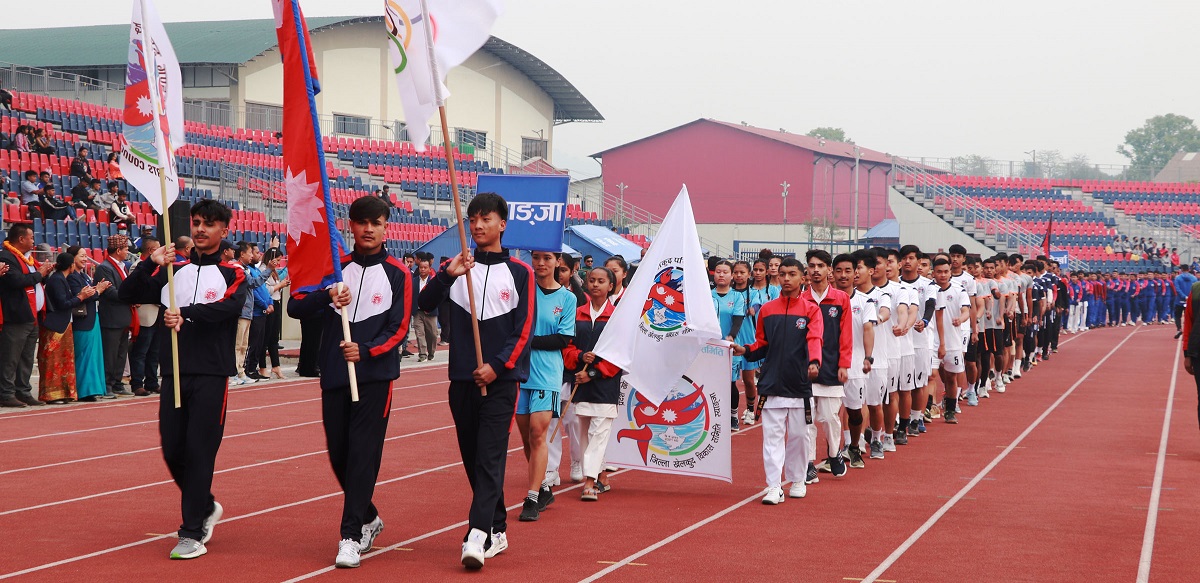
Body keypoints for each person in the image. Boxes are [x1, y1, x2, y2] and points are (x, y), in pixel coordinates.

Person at [118, 199, 248, 560]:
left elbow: (229, 308)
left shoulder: (233, 271)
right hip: (173, 371)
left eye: (209, 224)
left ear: (224, 230)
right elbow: (125, 294)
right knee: (172, 448)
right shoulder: (172, 271)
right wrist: (150, 263)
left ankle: (191, 531)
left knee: (199, 450)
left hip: (211, 372)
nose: (201, 229)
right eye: (197, 223)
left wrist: (185, 315)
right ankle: (205, 505)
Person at [288, 195, 412, 569]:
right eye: (361, 222)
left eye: (376, 222)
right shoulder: (334, 270)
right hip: (336, 375)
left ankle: (350, 535)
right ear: (351, 227)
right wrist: (327, 295)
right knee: (339, 454)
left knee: (362, 455)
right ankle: (370, 517)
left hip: (375, 377)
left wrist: (368, 351)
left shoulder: (399, 274)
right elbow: (295, 306)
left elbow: (400, 329)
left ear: (386, 227)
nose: (369, 229)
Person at [417, 192, 533, 570]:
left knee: (489, 456)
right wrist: (446, 274)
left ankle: (477, 534)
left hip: (500, 381)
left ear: (502, 224)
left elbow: (524, 329)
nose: (479, 225)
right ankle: (497, 527)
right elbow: (425, 305)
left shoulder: (520, 272)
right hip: (461, 380)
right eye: (473, 219)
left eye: (486, 219)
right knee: (473, 458)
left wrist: (497, 367)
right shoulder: (455, 267)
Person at [733, 256, 824, 503]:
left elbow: (815, 339)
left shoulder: (811, 311)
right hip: (771, 384)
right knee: (771, 437)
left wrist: (814, 362)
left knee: (799, 436)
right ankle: (773, 486)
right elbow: (762, 344)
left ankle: (797, 479)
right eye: (782, 274)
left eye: (791, 274)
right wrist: (746, 350)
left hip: (799, 384)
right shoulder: (767, 310)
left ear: (802, 278)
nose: (786, 278)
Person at [516, 250, 575, 522]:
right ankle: (542, 487)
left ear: (557, 262)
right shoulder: (522, 291)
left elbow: (562, 340)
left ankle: (531, 499)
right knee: (528, 436)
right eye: (536, 257)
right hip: (519, 373)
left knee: (539, 434)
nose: (541, 263)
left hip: (547, 374)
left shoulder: (567, 298)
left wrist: (526, 341)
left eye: (547, 258)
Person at [562, 266, 621, 502]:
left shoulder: (618, 316)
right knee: (585, 433)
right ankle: (602, 476)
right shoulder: (577, 313)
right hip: (580, 383)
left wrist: (594, 373)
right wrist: (578, 357)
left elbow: (620, 355)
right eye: (592, 280)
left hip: (605, 383)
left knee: (599, 432)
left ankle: (589, 482)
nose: (595, 285)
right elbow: (566, 346)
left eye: (601, 281)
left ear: (611, 286)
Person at [802, 250, 851, 481]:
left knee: (831, 417)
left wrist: (844, 364)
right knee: (807, 418)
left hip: (832, 367)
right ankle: (808, 462)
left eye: (820, 266)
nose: (816, 270)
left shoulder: (841, 299)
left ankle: (834, 453)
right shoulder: (801, 299)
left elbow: (846, 335)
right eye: (811, 266)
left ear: (828, 270)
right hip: (806, 368)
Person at [831, 252, 875, 468]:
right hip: (828, 363)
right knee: (829, 413)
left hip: (855, 365)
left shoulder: (864, 301)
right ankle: (833, 453)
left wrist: (868, 357)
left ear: (855, 272)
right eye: (838, 270)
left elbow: (868, 329)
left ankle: (854, 446)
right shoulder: (824, 300)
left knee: (855, 412)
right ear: (833, 272)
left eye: (848, 270)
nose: (843, 275)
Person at [0, 224, 49, 408]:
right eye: (31, 237)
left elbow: (32, 279)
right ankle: (5, 393)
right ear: (21, 239)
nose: (33, 241)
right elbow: (16, 281)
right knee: (10, 357)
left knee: (27, 357)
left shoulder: (28, 259)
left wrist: (42, 274)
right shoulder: (6, 257)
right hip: (16, 316)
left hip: (31, 316)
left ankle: (23, 391)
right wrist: (39, 274)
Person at [38, 252, 87, 404]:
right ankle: (51, 394)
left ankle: (65, 392)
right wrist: (80, 297)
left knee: (65, 360)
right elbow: (62, 304)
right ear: (71, 265)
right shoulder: (57, 280)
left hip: (64, 324)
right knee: (53, 361)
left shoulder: (60, 279)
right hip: (55, 325)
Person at [68, 246, 111, 402]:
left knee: (93, 355)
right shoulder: (72, 277)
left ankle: (93, 388)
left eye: (86, 256)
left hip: (92, 318)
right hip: (83, 320)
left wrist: (97, 289)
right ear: (72, 258)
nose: (85, 259)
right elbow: (82, 296)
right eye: (82, 256)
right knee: (84, 355)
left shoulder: (84, 276)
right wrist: (98, 290)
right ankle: (85, 390)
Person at [94, 234, 134, 396]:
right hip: (112, 317)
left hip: (122, 316)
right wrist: (131, 296)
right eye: (125, 249)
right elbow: (110, 292)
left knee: (120, 353)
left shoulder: (121, 266)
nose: (127, 252)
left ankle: (117, 382)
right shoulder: (105, 267)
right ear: (118, 250)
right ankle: (107, 383)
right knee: (110, 353)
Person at [933, 258, 970, 424]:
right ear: (934, 272)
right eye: (939, 271)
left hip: (952, 342)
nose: (942, 275)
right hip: (931, 342)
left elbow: (966, 310)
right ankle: (927, 408)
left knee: (951, 378)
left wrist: (960, 319)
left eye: (946, 271)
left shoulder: (958, 290)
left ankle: (950, 409)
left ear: (950, 272)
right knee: (931, 375)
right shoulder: (929, 289)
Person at [710, 261, 746, 431]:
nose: (721, 275)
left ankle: (732, 415)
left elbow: (738, 319)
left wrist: (731, 336)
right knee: (710, 382)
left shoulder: (737, 297)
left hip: (728, 346)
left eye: (725, 272)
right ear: (713, 274)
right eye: (718, 272)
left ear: (732, 276)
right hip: (708, 346)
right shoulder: (707, 295)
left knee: (730, 383)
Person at [130, 237, 163, 396]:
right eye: (158, 248)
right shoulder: (139, 267)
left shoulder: (160, 267)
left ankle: (152, 381)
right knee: (141, 352)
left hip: (157, 313)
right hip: (146, 313)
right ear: (151, 251)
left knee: (154, 352)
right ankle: (137, 383)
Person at [244, 244, 273, 381]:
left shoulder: (255, 270)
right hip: (255, 312)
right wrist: (264, 304)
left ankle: (253, 368)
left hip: (262, 312)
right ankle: (248, 368)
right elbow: (254, 291)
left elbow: (264, 289)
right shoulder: (248, 271)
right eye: (254, 252)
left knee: (259, 343)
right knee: (252, 343)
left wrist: (270, 302)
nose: (257, 254)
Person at [261, 248, 287, 378]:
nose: (278, 263)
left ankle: (276, 366)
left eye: (279, 260)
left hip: (276, 303)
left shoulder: (274, 272)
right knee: (265, 337)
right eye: (277, 260)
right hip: (268, 304)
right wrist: (280, 286)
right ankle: (262, 367)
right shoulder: (264, 270)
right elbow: (266, 290)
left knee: (274, 338)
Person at [412, 257, 438, 362]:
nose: (422, 269)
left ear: (429, 269)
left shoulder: (434, 281)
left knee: (432, 334)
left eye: (425, 267)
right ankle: (422, 354)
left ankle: (431, 352)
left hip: (430, 312)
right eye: (421, 267)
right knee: (419, 333)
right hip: (417, 312)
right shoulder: (413, 281)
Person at [1175, 266, 1197, 339]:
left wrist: (1184, 296)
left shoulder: (1178, 278)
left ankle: (1179, 329)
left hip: (1179, 300)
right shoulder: (1194, 278)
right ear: (1189, 269)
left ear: (1181, 270)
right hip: (1190, 301)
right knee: (1189, 317)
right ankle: (1189, 332)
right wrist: (1189, 297)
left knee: (1177, 316)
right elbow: (1195, 289)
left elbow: (1177, 289)